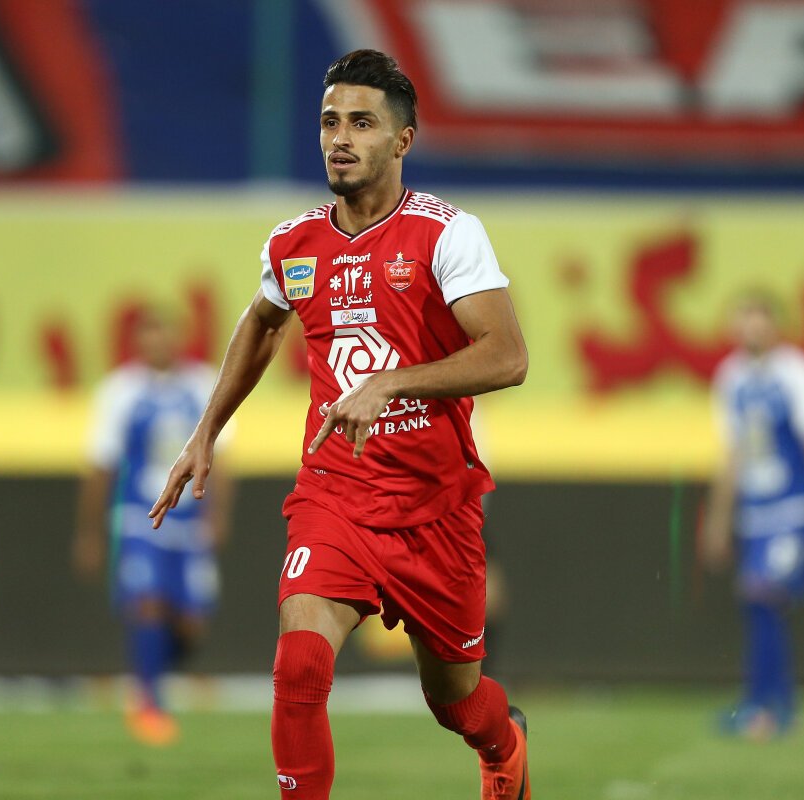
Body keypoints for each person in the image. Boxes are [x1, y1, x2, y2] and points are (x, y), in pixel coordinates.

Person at [150, 50, 530, 799]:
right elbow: (262, 324)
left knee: (456, 702)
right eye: (330, 122)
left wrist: (392, 382)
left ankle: (503, 745)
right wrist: (206, 432)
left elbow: (508, 356)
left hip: (435, 507)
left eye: (361, 123)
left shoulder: (446, 234)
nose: (340, 139)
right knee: (299, 666)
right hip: (336, 495)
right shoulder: (293, 244)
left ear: (403, 140)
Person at [74, 307, 230, 746]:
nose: (157, 343)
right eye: (148, 335)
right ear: (137, 342)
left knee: (191, 622)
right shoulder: (120, 392)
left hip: (190, 520)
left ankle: (154, 672)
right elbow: (101, 465)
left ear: (178, 338)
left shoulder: (203, 385)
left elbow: (224, 457)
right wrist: (90, 532)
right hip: (141, 518)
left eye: (164, 333)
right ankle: (148, 702)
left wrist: (218, 515)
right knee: (147, 605)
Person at [704, 293, 804, 739]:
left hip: (794, 509)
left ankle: (764, 707)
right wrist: (719, 521)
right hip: (756, 515)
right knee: (758, 600)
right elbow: (733, 454)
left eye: (758, 319)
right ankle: (777, 706)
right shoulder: (731, 377)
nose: (750, 328)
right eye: (744, 319)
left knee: (763, 593)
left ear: (776, 325)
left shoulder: (798, 374)